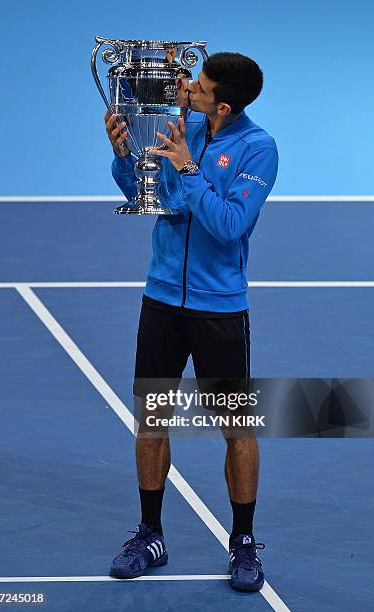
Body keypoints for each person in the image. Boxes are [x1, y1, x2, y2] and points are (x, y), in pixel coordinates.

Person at [104, 51, 278, 592]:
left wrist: (187, 166)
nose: (185, 86)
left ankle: (244, 542)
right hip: (161, 301)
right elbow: (145, 197)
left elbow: (228, 225)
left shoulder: (257, 148)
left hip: (219, 308)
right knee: (152, 419)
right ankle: (150, 533)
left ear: (223, 103)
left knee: (236, 428)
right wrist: (123, 157)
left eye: (197, 85)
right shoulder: (186, 126)